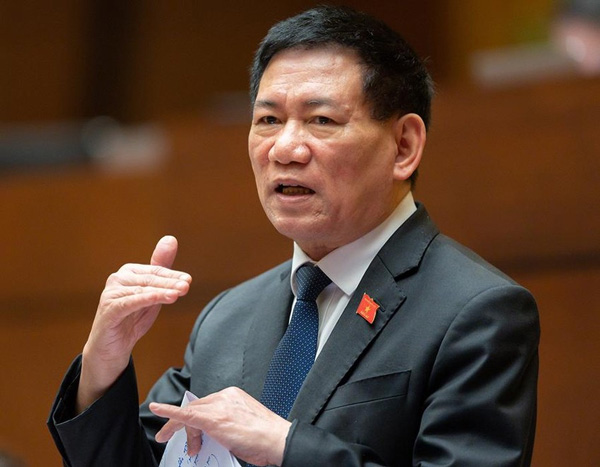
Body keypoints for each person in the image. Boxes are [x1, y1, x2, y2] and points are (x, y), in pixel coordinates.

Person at [48, 5, 540, 466]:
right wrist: (102, 365)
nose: (284, 149)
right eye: (268, 120)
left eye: (321, 120)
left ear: (404, 146)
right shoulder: (228, 318)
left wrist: (286, 446)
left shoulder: (475, 311)